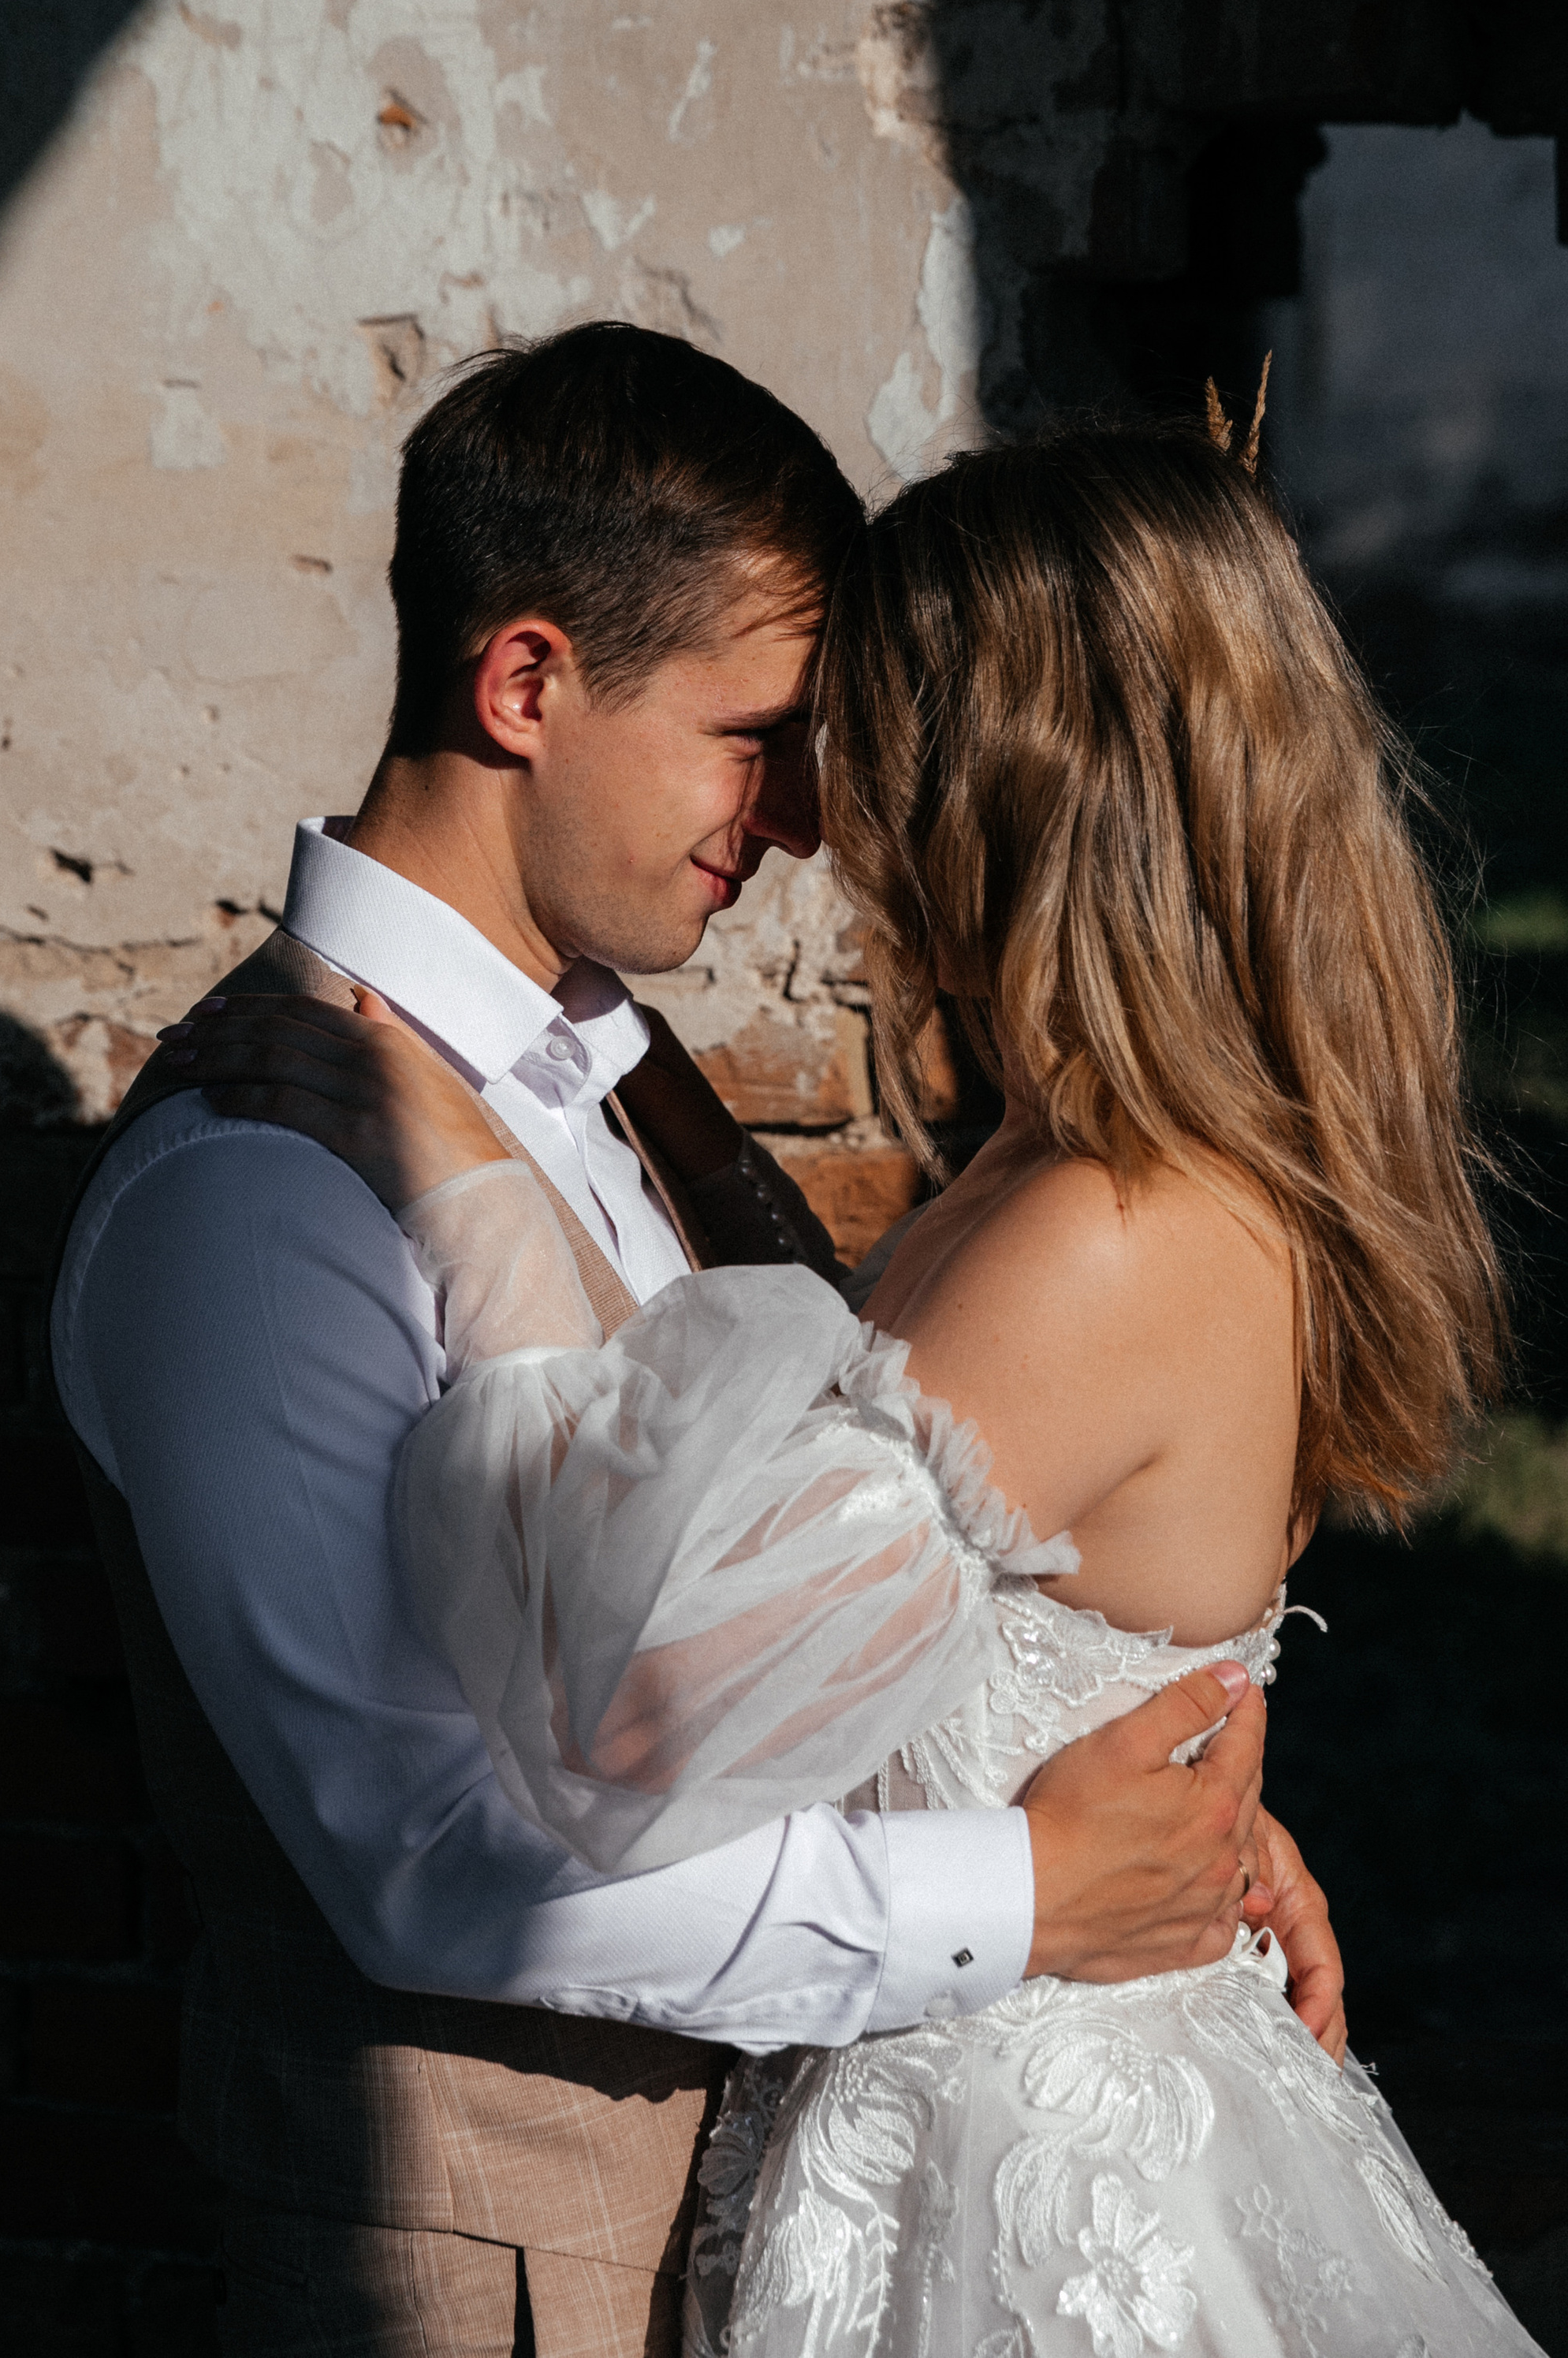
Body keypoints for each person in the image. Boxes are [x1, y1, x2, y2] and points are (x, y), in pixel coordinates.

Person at [191, 414, 1533, 2355]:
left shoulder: (1097, 1228)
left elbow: (630, 1705)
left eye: (863, 725)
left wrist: (465, 1192)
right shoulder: (1080, 1164)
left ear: (1002, 771)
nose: (817, 809)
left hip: (1031, 2185)